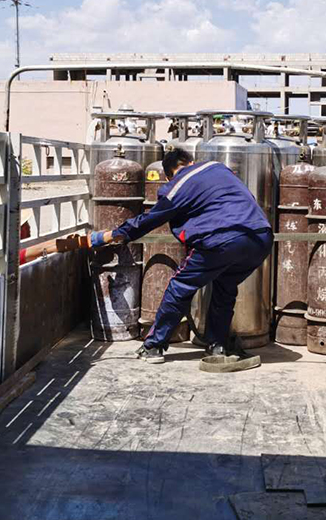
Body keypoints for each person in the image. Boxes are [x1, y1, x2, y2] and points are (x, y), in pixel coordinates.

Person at [90, 148, 274, 364]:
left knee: (180, 287)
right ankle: (217, 346)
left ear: (169, 174)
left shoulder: (178, 184)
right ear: (191, 161)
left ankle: (153, 346)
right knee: (225, 286)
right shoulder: (219, 169)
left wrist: (110, 236)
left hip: (219, 238)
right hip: (260, 237)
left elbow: (149, 220)